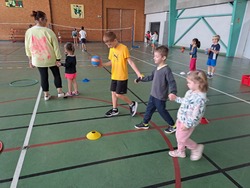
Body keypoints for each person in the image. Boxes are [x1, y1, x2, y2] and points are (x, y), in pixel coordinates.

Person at [134, 45, 177, 134]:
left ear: (163, 57)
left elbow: (172, 82)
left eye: (157, 56)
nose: (154, 58)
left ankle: (173, 125)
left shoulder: (166, 70)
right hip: (153, 95)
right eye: (154, 56)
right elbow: (151, 77)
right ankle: (145, 123)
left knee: (162, 111)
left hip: (160, 97)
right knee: (149, 109)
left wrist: (173, 92)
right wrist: (141, 79)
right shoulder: (156, 68)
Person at [25, 10, 65, 101]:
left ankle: (46, 95)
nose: (46, 21)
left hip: (38, 59)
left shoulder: (29, 32)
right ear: (40, 19)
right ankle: (60, 92)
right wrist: (58, 58)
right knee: (56, 74)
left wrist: (30, 59)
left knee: (43, 76)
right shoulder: (49, 31)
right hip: (51, 59)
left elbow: (27, 47)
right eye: (45, 20)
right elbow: (56, 47)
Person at [168, 70, 208, 161]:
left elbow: (197, 115)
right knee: (179, 136)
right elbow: (185, 101)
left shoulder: (200, 99)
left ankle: (195, 147)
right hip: (181, 119)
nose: (187, 84)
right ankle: (181, 151)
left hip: (187, 123)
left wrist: (187, 124)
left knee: (181, 138)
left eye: (189, 82)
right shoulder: (190, 92)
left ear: (198, 83)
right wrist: (176, 98)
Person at [102, 31, 142, 117]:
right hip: (114, 75)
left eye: (109, 44)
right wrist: (103, 64)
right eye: (107, 45)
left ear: (115, 40)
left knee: (118, 94)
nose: (109, 46)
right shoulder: (111, 49)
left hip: (122, 76)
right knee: (113, 93)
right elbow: (112, 62)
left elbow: (130, 62)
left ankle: (132, 104)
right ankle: (114, 109)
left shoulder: (123, 48)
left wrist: (138, 73)